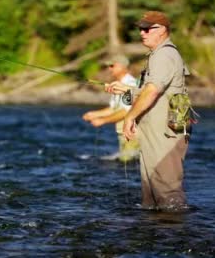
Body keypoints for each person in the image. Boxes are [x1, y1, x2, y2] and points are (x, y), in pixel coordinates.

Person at [105, 11, 191, 211]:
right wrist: (127, 91)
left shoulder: (164, 54)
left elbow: (153, 91)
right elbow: (151, 92)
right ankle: (156, 237)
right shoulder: (157, 55)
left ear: (161, 30)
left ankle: (174, 238)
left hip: (165, 134)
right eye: (140, 29)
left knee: (168, 193)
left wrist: (129, 117)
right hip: (155, 132)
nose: (142, 33)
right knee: (151, 196)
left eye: (147, 29)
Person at [82, 54, 139, 162]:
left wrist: (102, 120)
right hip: (124, 134)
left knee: (128, 163)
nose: (109, 69)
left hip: (133, 133)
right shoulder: (118, 84)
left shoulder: (130, 84)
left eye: (112, 66)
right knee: (125, 161)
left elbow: (127, 111)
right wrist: (94, 114)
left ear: (122, 66)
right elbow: (114, 108)